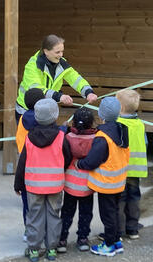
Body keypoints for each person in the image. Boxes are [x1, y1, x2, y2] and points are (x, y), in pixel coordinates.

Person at [14, 98, 72, 262]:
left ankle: (33, 249)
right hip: (55, 185)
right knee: (54, 215)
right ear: (55, 116)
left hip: (34, 186)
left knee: (34, 216)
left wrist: (18, 184)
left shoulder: (29, 138)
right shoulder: (61, 136)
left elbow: (22, 163)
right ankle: (51, 249)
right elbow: (67, 157)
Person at [76, 97, 129, 257]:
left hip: (106, 184)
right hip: (119, 181)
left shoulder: (102, 136)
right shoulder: (122, 130)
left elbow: (93, 160)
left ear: (101, 115)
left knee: (107, 215)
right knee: (114, 211)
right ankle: (116, 240)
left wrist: (80, 164)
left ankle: (109, 245)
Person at [15, 34, 98, 121]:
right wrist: (59, 97)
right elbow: (36, 89)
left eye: (62, 51)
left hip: (46, 111)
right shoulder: (33, 65)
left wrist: (88, 92)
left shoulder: (61, 63)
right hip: (27, 111)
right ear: (46, 51)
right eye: (57, 52)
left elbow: (76, 79)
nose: (61, 55)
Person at [57, 107, 97, 253]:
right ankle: (83, 239)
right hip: (87, 185)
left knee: (66, 212)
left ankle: (61, 240)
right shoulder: (95, 139)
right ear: (91, 122)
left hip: (69, 184)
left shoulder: (68, 137)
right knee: (86, 213)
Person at [116, 89, 147, 240]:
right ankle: (133, 229)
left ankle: (119, 231)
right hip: (136, 170)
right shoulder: (140, 124)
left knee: (119, 200)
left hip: (121, 170)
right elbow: (145, 143)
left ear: (120, 108)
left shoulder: (117, 124)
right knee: (134, 198)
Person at [15, 88, 46, 233]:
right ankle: (44, 232)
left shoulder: (22, 119)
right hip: (42, 165)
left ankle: (29, 232)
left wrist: (17, 184)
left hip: (26, 164)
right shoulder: (43, 122)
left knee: (27, 203)